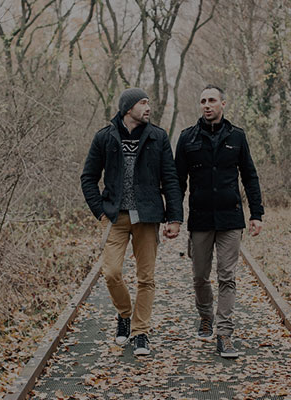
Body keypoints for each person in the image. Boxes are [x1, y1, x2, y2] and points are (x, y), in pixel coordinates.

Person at [81, 88, 183, 356]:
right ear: (128, 108)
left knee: (146, 277)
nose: (148, 107)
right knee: (111, 272)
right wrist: (99, 210)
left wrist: (174, 217)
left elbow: (170, 179)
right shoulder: (104, 137)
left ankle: (140, 332)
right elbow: (88, 177)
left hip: (147, 215)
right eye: (143, 103)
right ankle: (125, 314)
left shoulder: (158, 137)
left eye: (149, 102)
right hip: (116, 216)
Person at [175, 84, 264, 359]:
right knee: (200, 277)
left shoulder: (237, 137)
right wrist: (174, 218)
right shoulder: (187, 138)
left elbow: (249, 176)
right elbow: (177, 181)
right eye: (202, 101)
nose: (206, 105)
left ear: (223, 104)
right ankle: (205, 317)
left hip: (230, 219)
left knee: (227, 276)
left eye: (212, 100)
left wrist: (256, 214)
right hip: (200, 219)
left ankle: (224, 333)